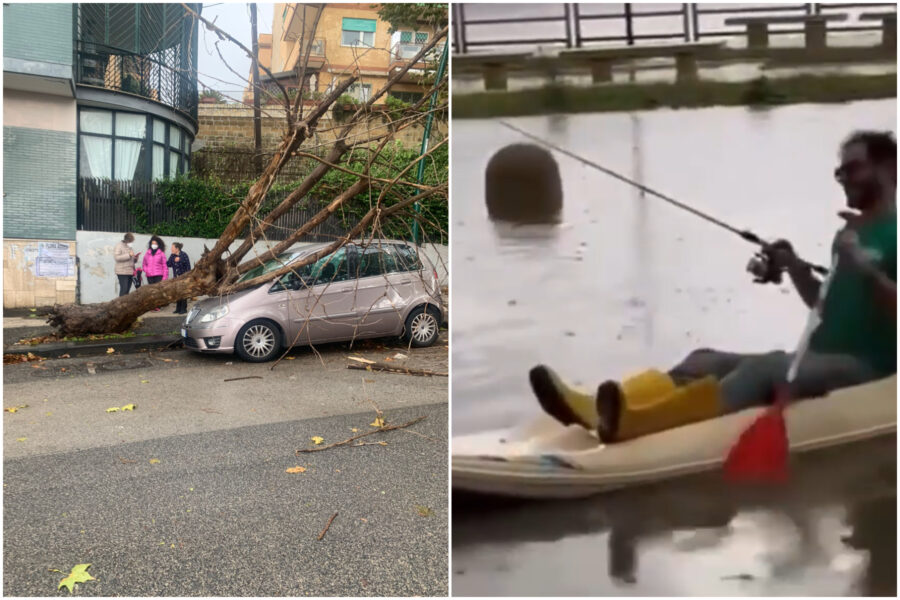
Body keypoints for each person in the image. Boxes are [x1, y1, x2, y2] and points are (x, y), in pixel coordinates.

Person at [530, 130, 897, 444]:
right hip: (821, 357)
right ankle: (602, 406)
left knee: (765, 369)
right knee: (704, 359)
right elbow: (825, 307)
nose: (844, 178)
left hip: (869, 369)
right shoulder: (849, 233)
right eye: (840, 172)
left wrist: (865, 268)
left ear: (886, 168)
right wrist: (793, 265)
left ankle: (639, 422)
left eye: (853, 169)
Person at [141, 236, 169, 311]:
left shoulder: (161, 254)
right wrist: (146, 270)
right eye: (152, 243)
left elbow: (165, 266)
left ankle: (157, 306)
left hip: (158, 275)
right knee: (151, 291)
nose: (154, 245)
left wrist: (164, 277)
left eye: (155, 243)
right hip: (149, 275)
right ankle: (152, 306)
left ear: (158, 244)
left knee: (157, 291)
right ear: (150, 244)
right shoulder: (147, 253)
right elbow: (144, 264)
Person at [167, 242, 192, 314]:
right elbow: (168, 264)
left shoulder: (184, 255)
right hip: (176, 278)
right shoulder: (172, 256)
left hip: (184, 277)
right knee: (177, 293)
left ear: (177, 249)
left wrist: (180, 260)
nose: (171, 249)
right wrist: (173, 260)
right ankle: (178, 308)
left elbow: (188, 266)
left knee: (183, 293)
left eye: (172, 248)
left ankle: (183, 309)